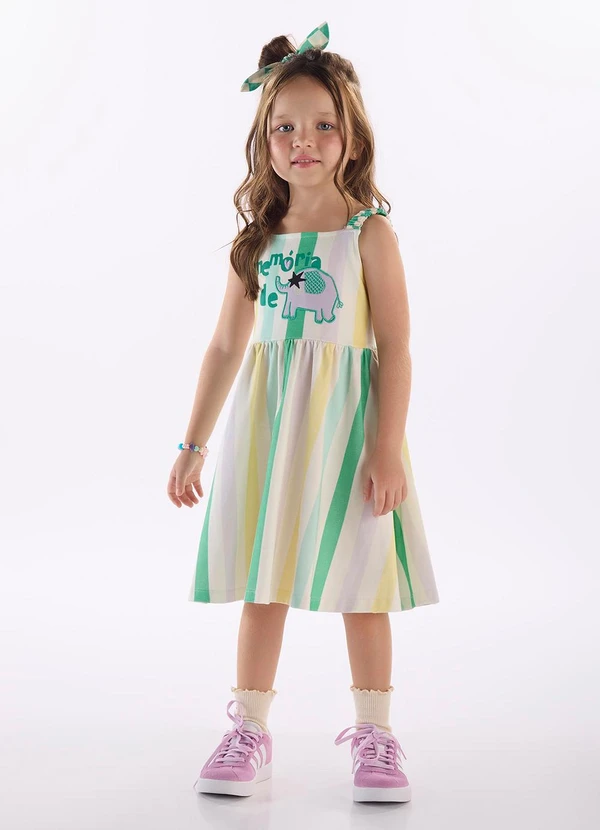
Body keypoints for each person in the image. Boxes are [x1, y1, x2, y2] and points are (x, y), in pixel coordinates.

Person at [166, 21, 440, 803]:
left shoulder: (368, 235)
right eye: (285, 127)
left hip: (350, 433)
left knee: (363, 585)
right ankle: (249, 727)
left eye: (322, 125)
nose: (304, 141)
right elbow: (226, 347)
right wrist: (192, 443)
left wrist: (385, 448)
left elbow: (396, 348)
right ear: (265, 141)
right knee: (265, 582)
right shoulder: (256, 242)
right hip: (271, 432)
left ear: (352, 136)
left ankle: (376, 735)